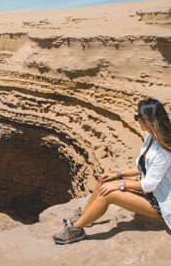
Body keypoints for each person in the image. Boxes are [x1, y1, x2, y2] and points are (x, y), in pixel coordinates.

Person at [53, 97, 171, 244]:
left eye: (137, 117)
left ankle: (76, 229)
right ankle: (85, 215)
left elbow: (149, 184)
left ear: (147, 120)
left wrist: (120, 184)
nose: (136, 120)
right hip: (151, 193)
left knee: (109, 194)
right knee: (105, 180)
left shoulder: (163, 151)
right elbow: (142, 168)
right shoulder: (150, 139)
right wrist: (117, 175)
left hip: (159, 202)